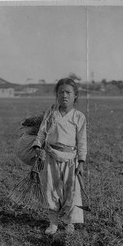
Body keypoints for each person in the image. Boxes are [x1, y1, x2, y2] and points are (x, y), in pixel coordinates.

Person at [32, 78, 87, 235]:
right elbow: (42, 132)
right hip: (50, 157)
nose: (64, 95)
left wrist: (81, 162)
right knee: (51, 189)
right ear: (56, 95)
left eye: (68, 92)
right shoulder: (51, 114)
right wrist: (37, 147)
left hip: (71, 159)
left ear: (75, 95)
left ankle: (69, 223)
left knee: (71, 191)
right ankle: (53, 222)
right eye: (61, 92)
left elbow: (82, 141)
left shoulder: (79, 117)